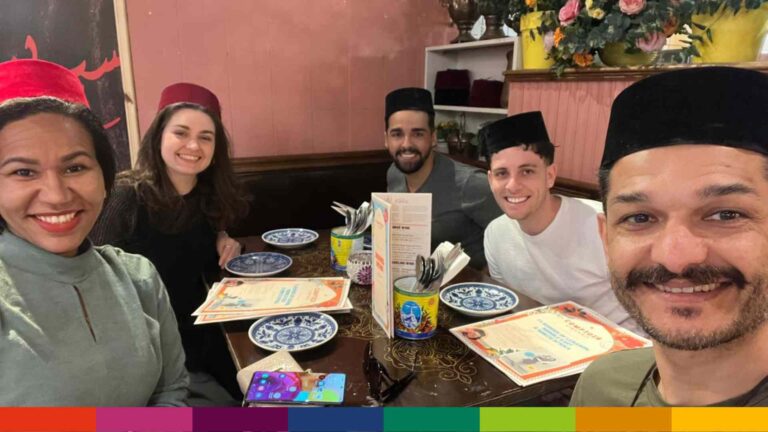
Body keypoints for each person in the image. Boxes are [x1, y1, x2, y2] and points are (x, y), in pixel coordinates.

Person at [570, 66, 768, 407]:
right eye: (640, 218)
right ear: (606, 239)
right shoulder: (600, 388)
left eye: (726, 214)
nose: (676, 257)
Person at [0, 59, 188, 406]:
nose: (56, 195)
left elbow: (171, 389)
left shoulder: (138, 277)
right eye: (24, 172)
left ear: (104, 177)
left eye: (75, 167)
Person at [90, 82, 249, 405]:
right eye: (181, 133)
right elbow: (95, 280)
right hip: (151, 350)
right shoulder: (126, 197)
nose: (193, 145)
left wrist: (222, 237)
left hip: (204, 335)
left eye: (206, 137)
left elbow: (200, 240)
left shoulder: (208, 194)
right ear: (159, 136)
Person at [481, 111, 637, 332]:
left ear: (550, 175)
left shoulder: (602, 225)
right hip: (538, 344)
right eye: (502, 174)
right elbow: (508, 304)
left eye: (527, 171)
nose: (512, 185)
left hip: (618, 351)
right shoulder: (495, 234)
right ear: (490, 180)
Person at [384, 87, 501, 268]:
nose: (406, 144)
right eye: (397, 134)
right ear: (386, 139)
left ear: (433, 138)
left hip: (465, 289)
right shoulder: (394, 173)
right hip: (414, 281)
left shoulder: (471, 183)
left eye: (418, 134)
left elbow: (512, 242)